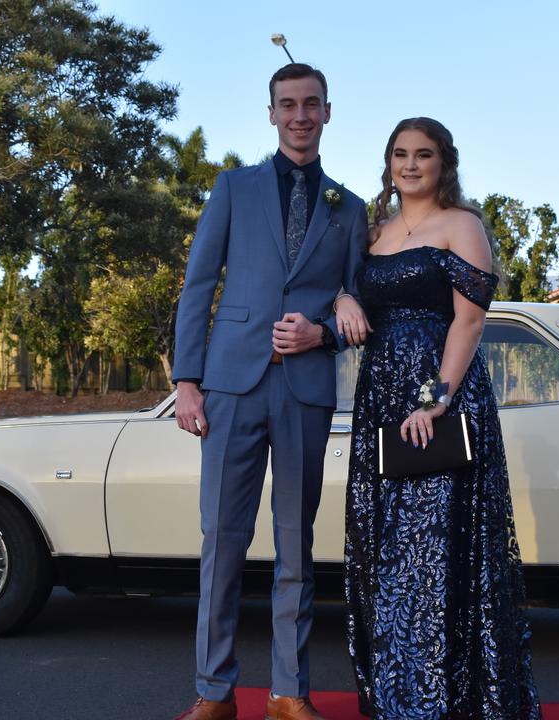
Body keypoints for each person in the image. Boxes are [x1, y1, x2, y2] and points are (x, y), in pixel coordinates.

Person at [171, 63, 370, 720]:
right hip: (229, 386)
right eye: (288, 105)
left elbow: (360, 307)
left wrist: (322, 335)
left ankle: (289, 692)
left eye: (311, 105)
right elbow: (199, 286)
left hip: (304, 392)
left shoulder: (350, 208)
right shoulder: (233, 188)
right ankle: (214, 691)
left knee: (296, 543)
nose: (300, 116)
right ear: (271, 113)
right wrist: (188, 380)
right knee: (221, 540)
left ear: (328, 112)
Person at [335, 117, 542, 718]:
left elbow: (469, 320)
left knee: (433, 552)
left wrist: (436, 397)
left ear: (443, 163)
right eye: (400, 154)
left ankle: (444, 702)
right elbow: (344, 291)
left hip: (440, 400)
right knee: (387, 548)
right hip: (381, 398)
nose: (410, 165)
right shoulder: (373, 230)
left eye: (423, 155)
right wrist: (342, 297)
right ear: (388, 162)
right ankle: (400, 696)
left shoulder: (461, 224)